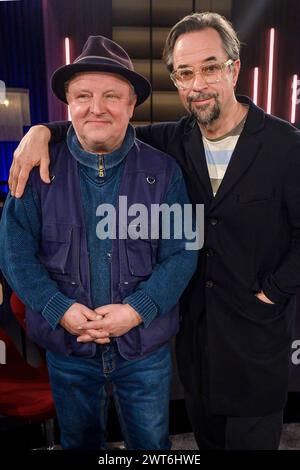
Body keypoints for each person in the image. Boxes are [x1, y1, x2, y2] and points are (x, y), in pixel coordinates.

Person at [7, 12, 300, 450]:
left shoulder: (286, 145)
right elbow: (97, 123)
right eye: (184, 72)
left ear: (234, 68)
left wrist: (273, 292)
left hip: (253, 337)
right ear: (175, 81)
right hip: (192, 342)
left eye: (209, 67)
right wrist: (40, 132)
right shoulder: (171, 141)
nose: (197, 82)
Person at [0, 35, 198, 450]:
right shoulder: (36, 169)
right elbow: (14, 254)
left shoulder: (165, 171)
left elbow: (183, 253)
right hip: (68, 351)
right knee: (79, 443)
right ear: (68, 104)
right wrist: (60, 309)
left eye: (112, 96)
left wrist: (136, 311)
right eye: (83, 96)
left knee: (152, 447)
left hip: (144, 352)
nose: (97, 107)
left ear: (131, 104)